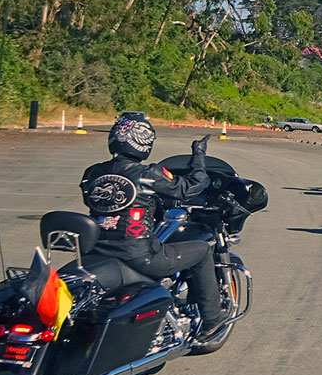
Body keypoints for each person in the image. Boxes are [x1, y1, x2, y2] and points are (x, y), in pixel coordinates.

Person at [79, 112, 228, 339]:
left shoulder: (92, 173)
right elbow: (191, 187)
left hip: (97, 253)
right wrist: (198, 156)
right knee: (202, 250)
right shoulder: (149, 174)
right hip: (140, 256)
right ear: (144, 140)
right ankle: (213, 322)